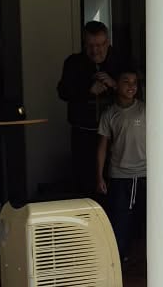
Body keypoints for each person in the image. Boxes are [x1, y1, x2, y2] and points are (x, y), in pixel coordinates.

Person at [57, 22, 121, 199]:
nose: (95, 51)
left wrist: (114, 84)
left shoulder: (119, 61)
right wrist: (87, 90)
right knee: (84, 183)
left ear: (108, 42)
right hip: (83, 133)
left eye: (100, 45)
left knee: (115, 184)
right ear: (84, 44)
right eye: (90, 45)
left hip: (115, 134)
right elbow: (62, 92)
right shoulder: (73, 63)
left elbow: (136, 91)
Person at [96, 68, 146, 264]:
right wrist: (99, 176)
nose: (131, 86)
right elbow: (102, 146)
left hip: (144, 172)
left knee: (145, 218)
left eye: (134, 82)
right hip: (119, 174)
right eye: (126, 81)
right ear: (116, 85)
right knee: (119, 218)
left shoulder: (145, 109)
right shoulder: (109, 114)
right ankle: (119, 258)